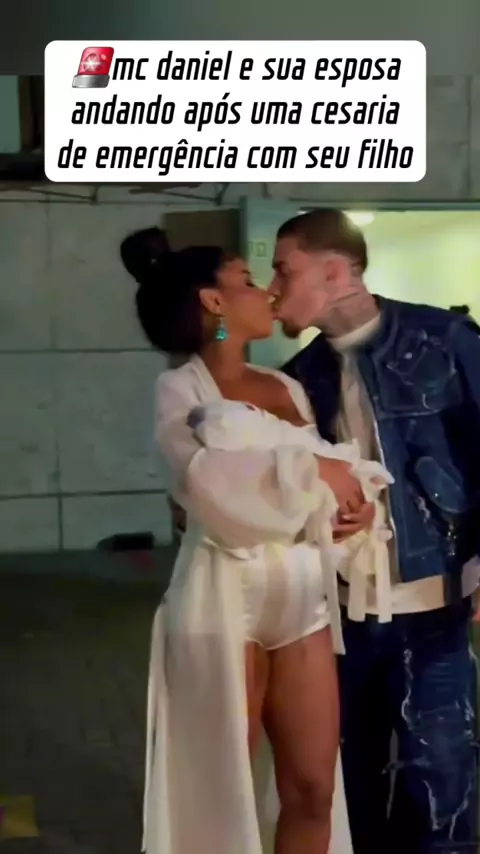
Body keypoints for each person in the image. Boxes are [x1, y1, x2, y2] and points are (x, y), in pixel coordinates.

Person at [119, 228, 394, 854]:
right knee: (221, 793)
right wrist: (313, 473)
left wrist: (351, 509)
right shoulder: (180, 389)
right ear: (213, 302)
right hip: (222, 594)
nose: (267, 292)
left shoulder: (287, 386)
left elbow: (335, 476)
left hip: (304, 594)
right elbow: (211, 489)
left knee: (313, 787)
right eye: (246, 280)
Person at [269, 208, 480, 854]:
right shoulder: (301, 377)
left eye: (284, 271)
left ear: (336, 273)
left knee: (443, 784)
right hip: (342, 616)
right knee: (355, 785)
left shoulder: (445, 339)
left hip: (436, 604)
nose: (274, 287)